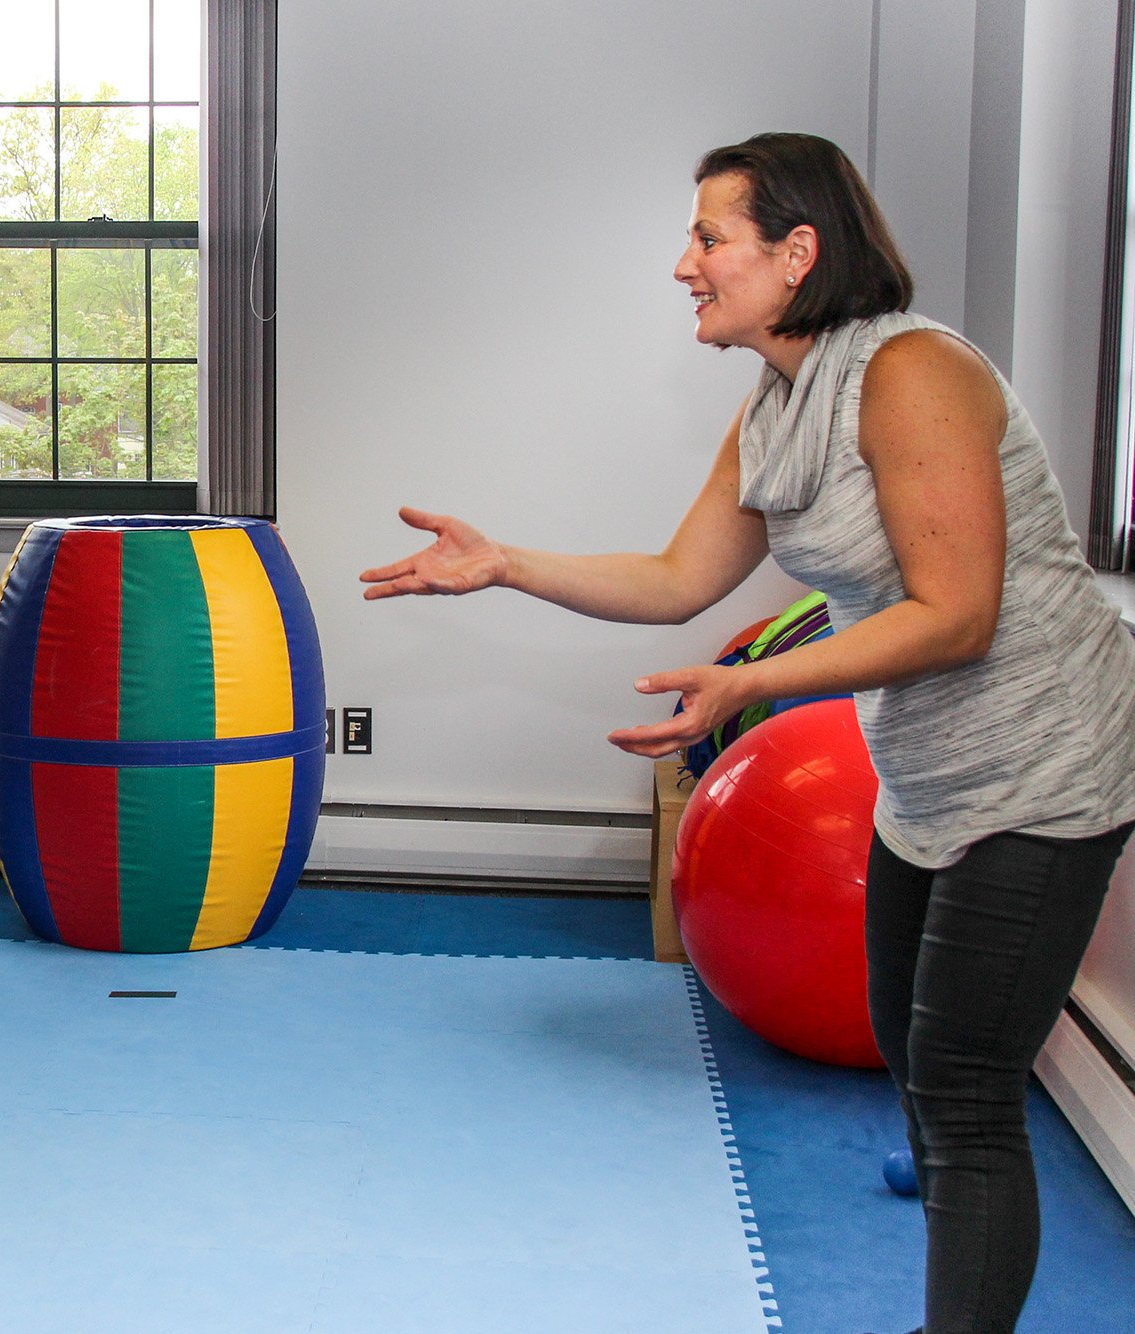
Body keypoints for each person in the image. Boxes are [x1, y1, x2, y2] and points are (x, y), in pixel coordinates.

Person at [360, 133, 1135, 1334]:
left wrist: (751, 686)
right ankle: (949, 1182)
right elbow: (677, 578)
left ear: (795, 252)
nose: (684, 263)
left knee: (968, 1088)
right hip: (926, 764)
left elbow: (958, 614)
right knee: (903, 1036)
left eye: (707, 236)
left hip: (1048, 759)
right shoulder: (775, 405)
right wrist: (504, 562)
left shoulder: (909, 372)